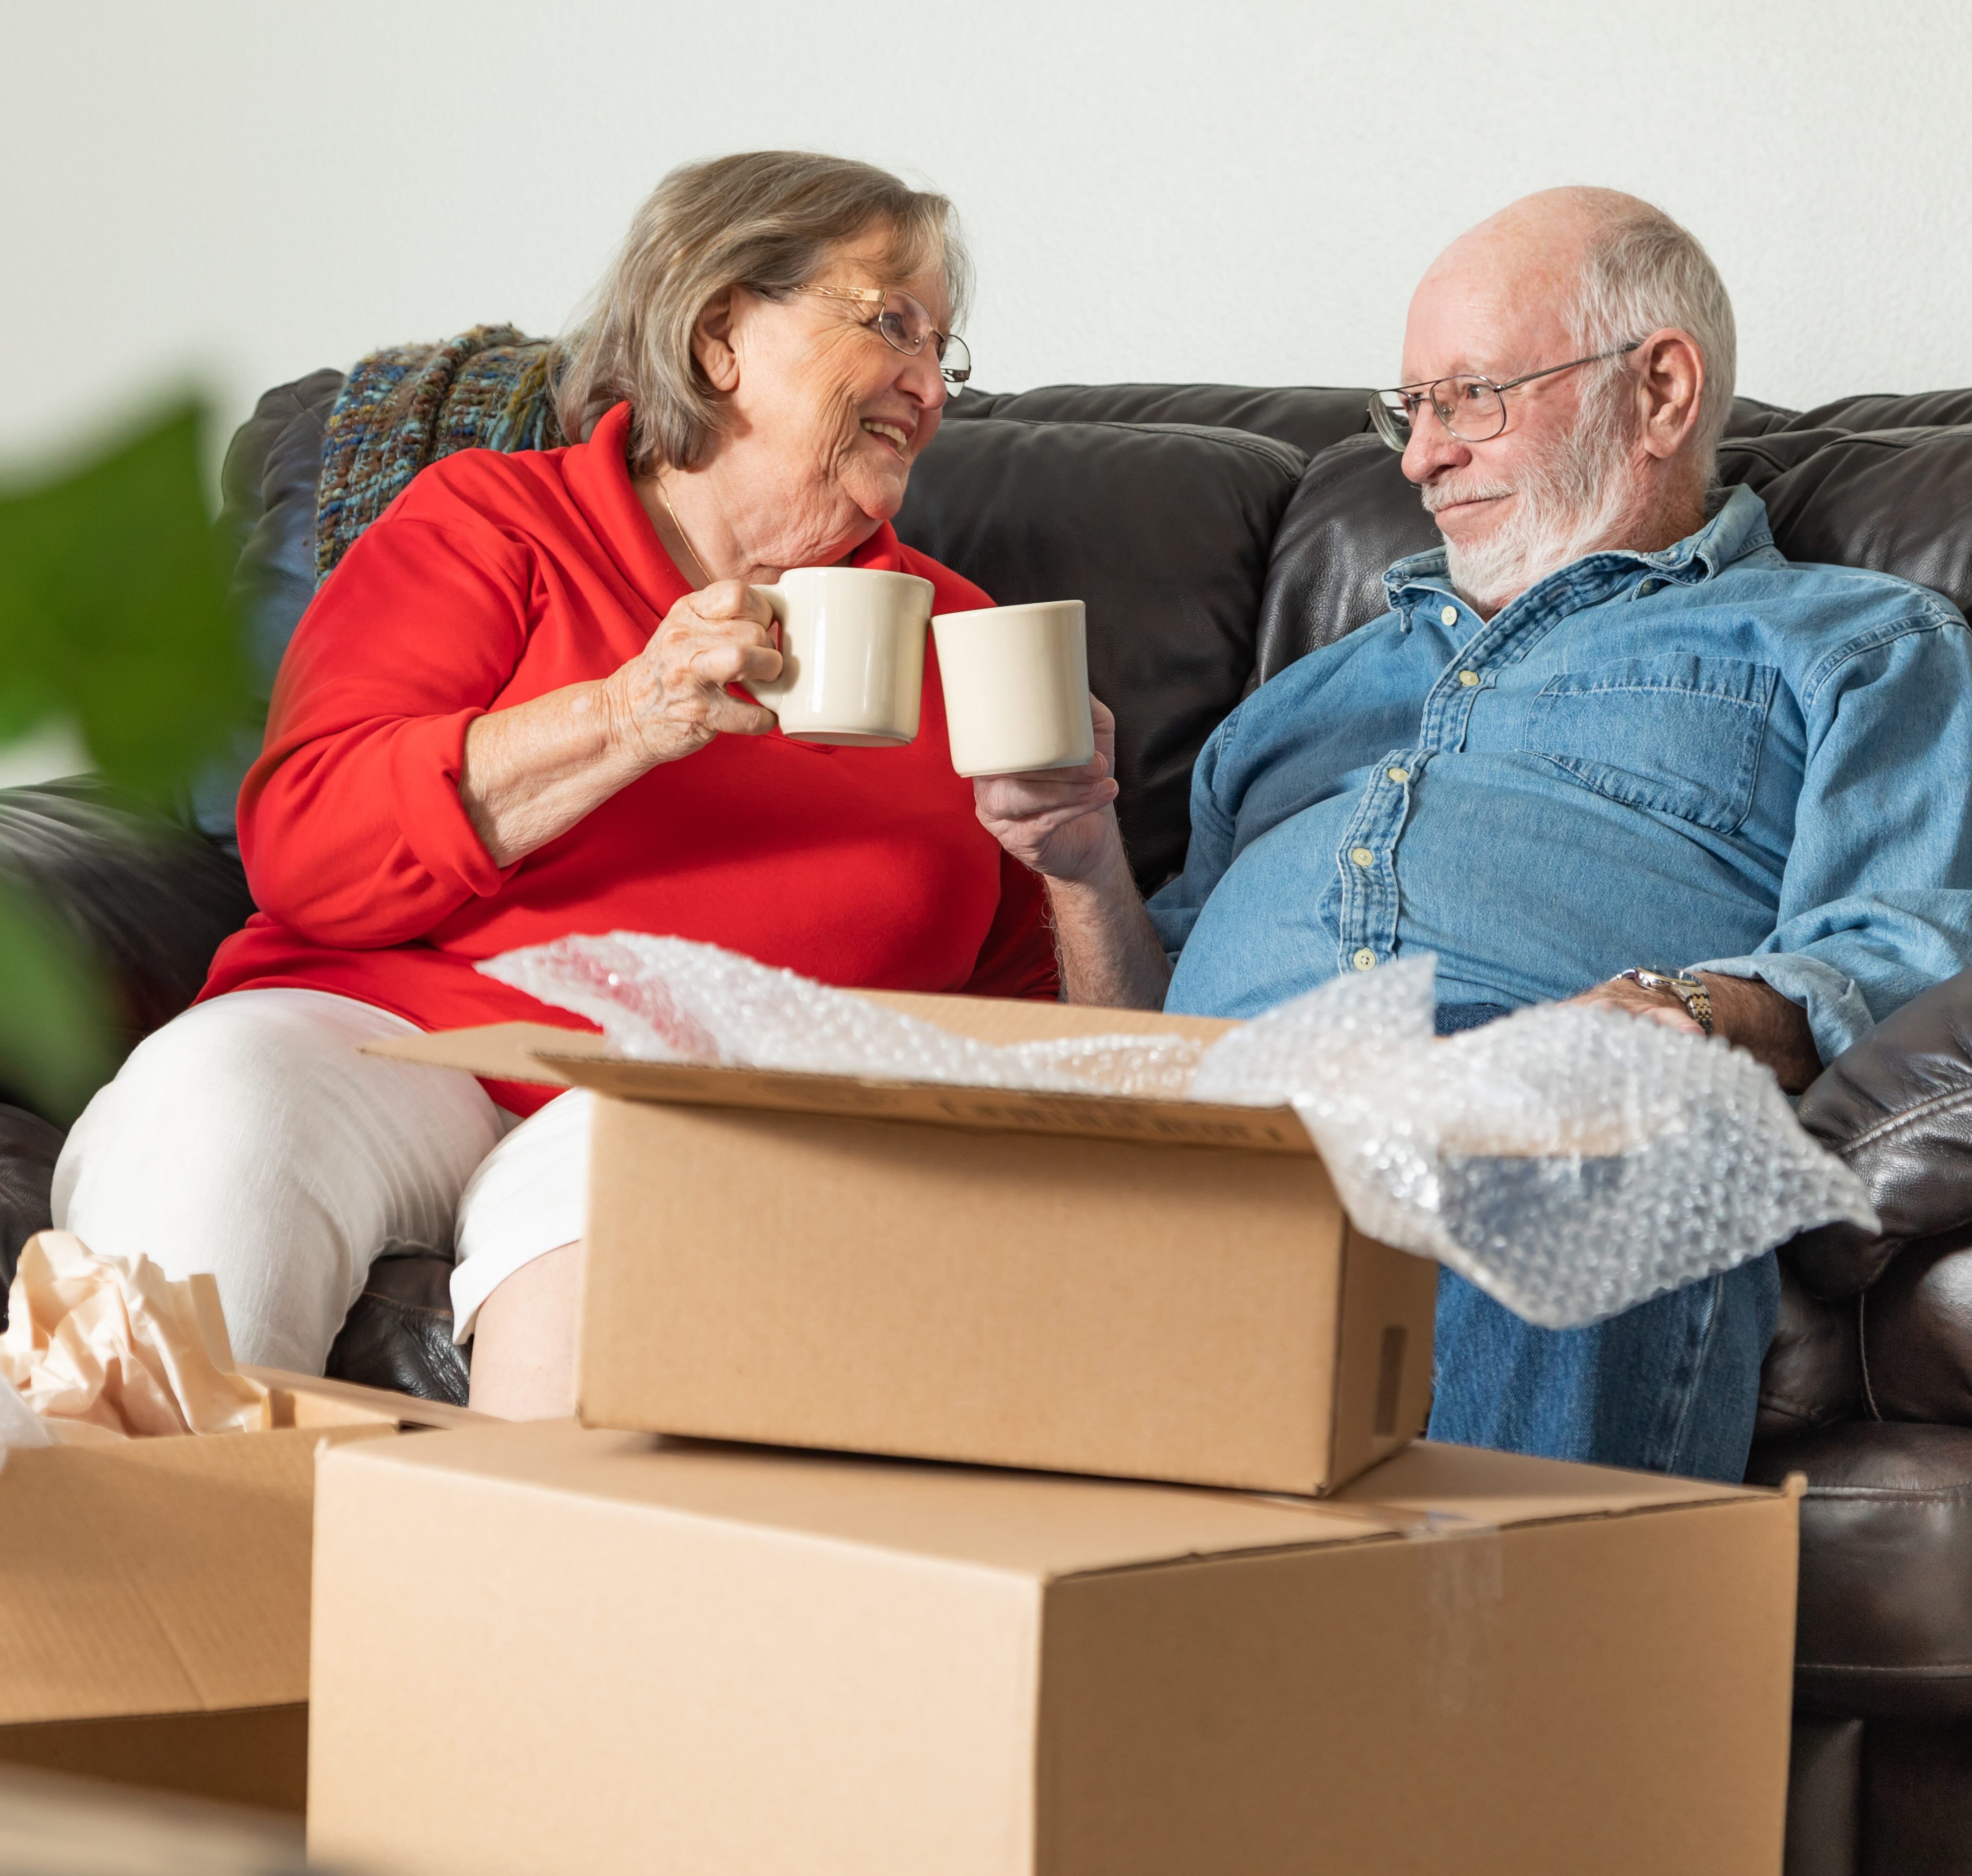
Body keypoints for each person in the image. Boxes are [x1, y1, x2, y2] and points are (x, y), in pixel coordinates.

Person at [978, 186, 1972, 1482]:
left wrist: (1685, 1009)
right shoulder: (1298, 703)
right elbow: (1137, 1036)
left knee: (1610, 1140)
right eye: (1407, 411)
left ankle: (1480, 1664)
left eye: (1466, 399)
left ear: (1660, 392)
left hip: (1532, 1114)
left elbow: (1898, 951)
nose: (1416, 457)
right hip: (1219, 1138)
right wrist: (1084, 863)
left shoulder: (1850, 645)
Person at [55, 151, 1055, 1415]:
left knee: (638, 1219)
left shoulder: (963, 638)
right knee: (217, 1106)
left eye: (943, 352)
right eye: (891, 325)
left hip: (710, 1092)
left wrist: (1080, 851)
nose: (927, 385)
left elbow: (1025, 1003)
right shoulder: (489, 526)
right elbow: (307, 846)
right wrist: (626, 716)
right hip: (389, 1036)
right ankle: (147, 1593)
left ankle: (517, 1600)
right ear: (716, 337)